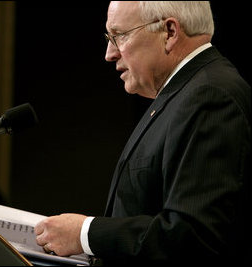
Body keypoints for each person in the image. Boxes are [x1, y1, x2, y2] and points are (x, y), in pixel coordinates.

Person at [34, 1, 251, 264]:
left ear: (169, 32)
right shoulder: (182, 95)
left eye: (119, 35)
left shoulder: (210, 95)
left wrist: (85, 234)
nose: (109, 53)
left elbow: (192, 236)